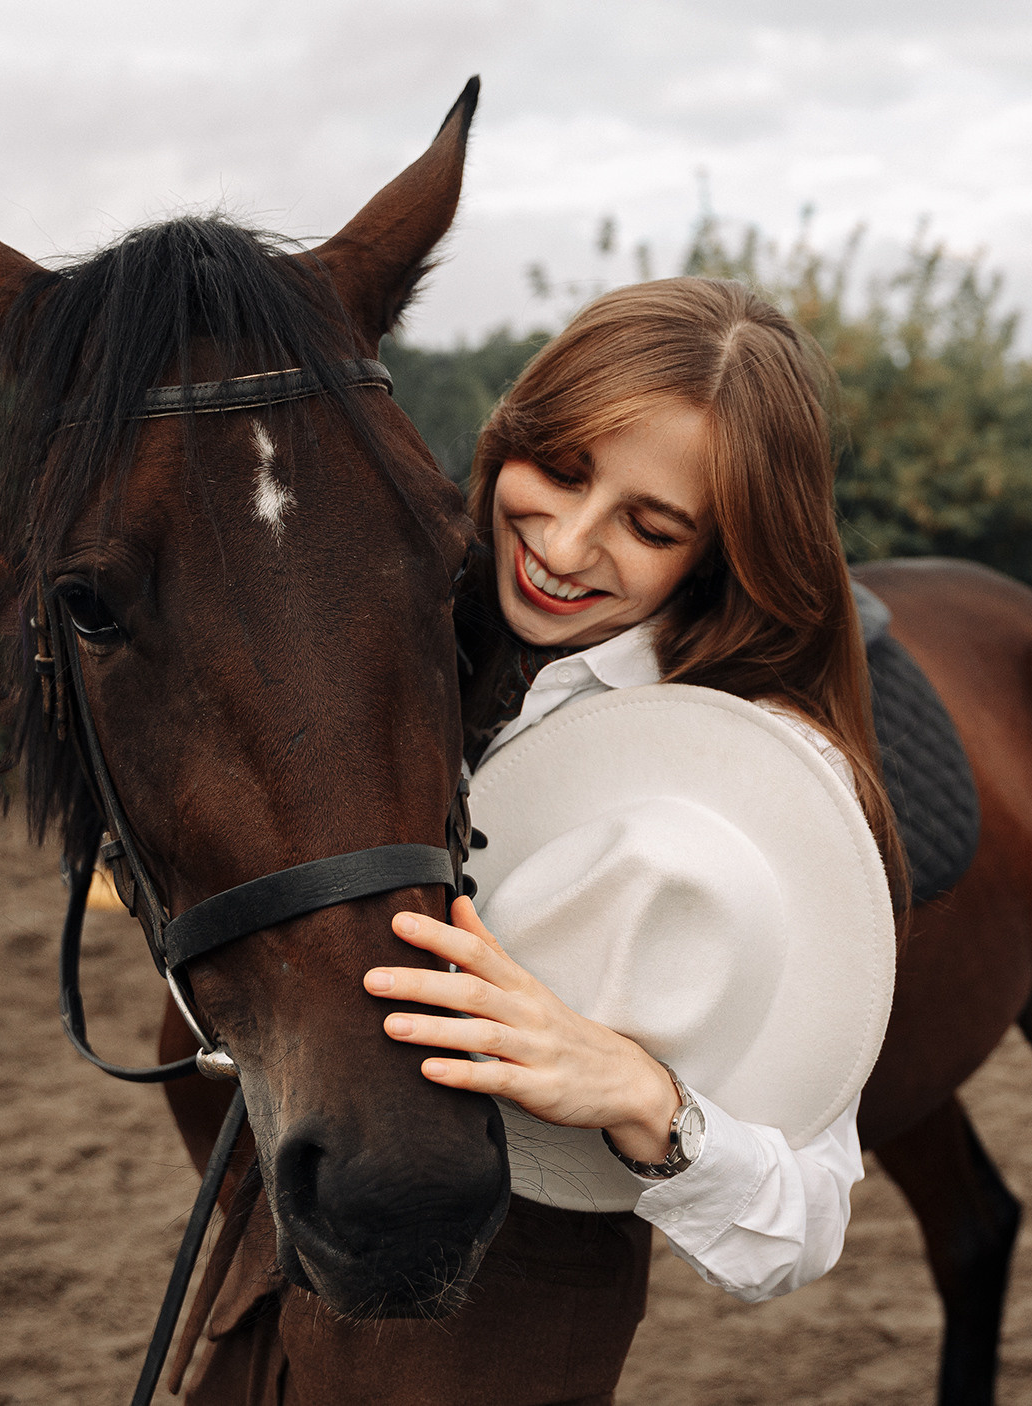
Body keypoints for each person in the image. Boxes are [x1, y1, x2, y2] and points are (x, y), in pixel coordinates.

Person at [356, 276, 903, 1304]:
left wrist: (647, 1099)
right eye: (557, 471)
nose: (562, 546)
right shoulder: (392, 611)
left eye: (649, 527)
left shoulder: (757, 774)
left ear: (717, 554)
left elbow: (805, 1224)